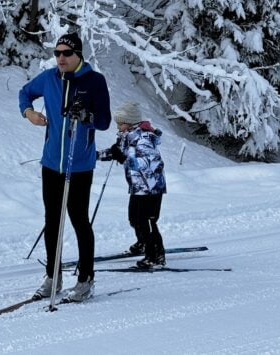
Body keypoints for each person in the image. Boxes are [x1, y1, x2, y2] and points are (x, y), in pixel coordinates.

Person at [19, 32, 111, 302]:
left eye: (66, 53)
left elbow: (104, 121)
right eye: (57, 53)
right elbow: (25, 93)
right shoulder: (48, 78)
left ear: (78, 55)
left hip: (80, 164)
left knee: (79, 221)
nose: (60, 58)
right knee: (52, 221)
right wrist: (29, 113)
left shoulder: (94, 81)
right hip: (51, 163)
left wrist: (86, 116)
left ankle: (85, 280)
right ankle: (53, 277)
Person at [101, 101, 168, 269]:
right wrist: (92, 156)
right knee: (134, 218)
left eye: (120, 123)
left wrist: (123, 159)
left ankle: (155, 255)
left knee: (146, 220)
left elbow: (149, 162)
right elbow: (117, 152)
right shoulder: (127, 137)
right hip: (139, 187)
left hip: (151, 187)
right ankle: (143, 243)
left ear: (130, 122)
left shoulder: (144, 138)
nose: (118, 126)